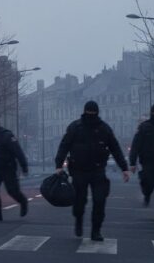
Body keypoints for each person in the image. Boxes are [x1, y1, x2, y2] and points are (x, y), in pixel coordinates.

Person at [55, 101, 130, 241]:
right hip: (78, 170)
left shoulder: (104, 129)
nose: (91, 116)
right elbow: (64, 146)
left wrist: (124, 168)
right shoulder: (75, 127)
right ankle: (78, 220)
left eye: (92, 113)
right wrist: (58, 164)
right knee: (79, 201)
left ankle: (96, 230)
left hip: (98, 170)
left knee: (99, 201)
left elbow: (115, 148)